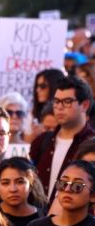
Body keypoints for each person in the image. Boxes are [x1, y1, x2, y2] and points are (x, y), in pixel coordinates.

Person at [29, 76, 94, 211]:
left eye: (67, 101)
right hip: (41, 219)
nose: (59, 107)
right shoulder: (42, 141)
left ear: (85, 105)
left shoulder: (91, 145)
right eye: (57, 101)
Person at [0, 157, 48, 226]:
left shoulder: (44, 219)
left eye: (20, 182)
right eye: (5, 183)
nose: (13, 189)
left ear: (31, 185)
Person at [26, 69, 65, 142]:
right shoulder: (33, 113)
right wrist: (35, 135)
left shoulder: (67, 112)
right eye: (37, 86)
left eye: (42, 86)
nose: (38, 90)